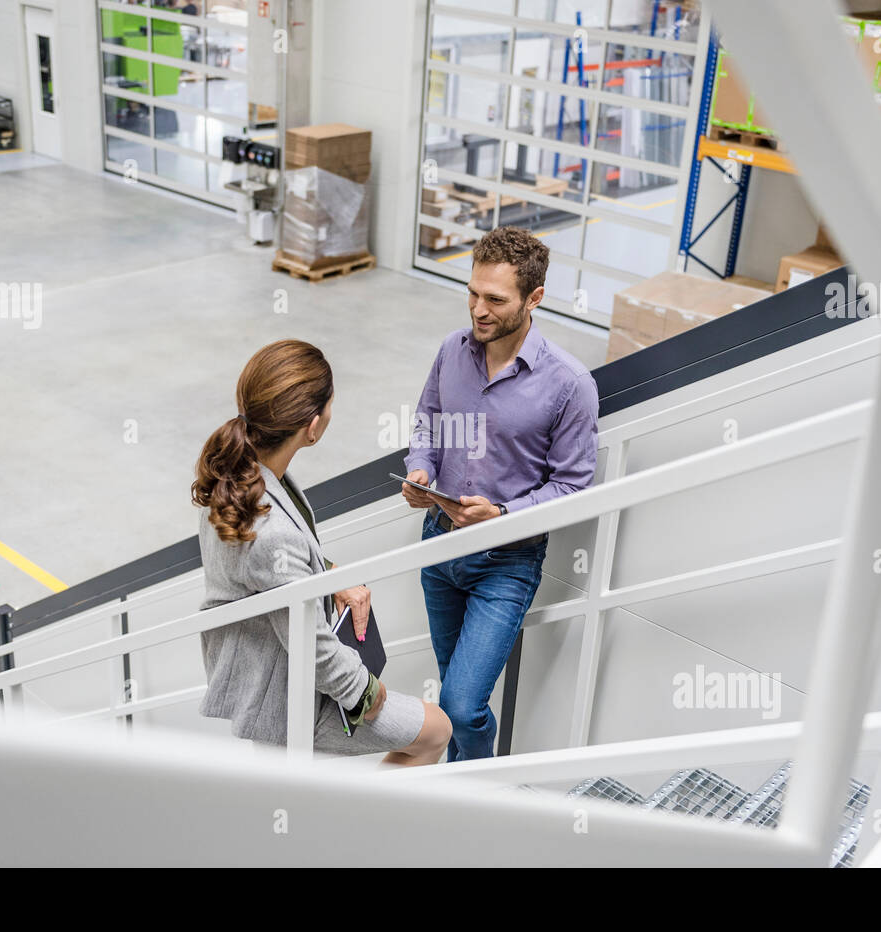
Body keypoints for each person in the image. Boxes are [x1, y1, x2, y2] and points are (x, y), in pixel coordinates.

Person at [194, 339, 451, 764]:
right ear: (312, 427)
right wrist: (368, 693)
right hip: (286, 693)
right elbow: (312, 646)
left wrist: (333, 580)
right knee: (436, 730)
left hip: (272, 666)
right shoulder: (270, 529)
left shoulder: (239, 471)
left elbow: (269, 573)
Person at [402, 227, 600, 762]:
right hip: (438, 544)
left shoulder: (569, 384)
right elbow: (428, 419)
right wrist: (420, 469)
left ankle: (478, 791)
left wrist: (504, 513)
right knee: (448, 700)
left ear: (534, 299)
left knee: (462, 705)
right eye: (472, 293)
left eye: (495, 299)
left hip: (505, 562)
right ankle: (458, 794)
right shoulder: (452, 349)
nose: (478, 310)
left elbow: (573, 486)